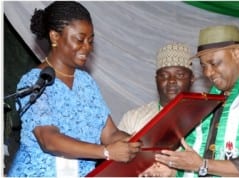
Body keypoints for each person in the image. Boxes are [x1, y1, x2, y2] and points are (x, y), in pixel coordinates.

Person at [7, 1, 141, 177]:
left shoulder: (87, 83)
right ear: (55, 36)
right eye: (80, 39)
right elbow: (49, 140)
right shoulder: (35, 81)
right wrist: (106, 152)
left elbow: (110, 134)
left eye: (91, 41)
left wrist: (136, 142)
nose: (87, 47)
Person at [141, 25, 239, 177]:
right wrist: (173, 170)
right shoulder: (210, 103)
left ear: (237, 54)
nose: (207, 73)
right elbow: (205, 156)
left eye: (213, 63)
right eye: (204, 66)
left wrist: (202, 165)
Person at [118, 42, 195, 134]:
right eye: (164, 75)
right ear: (156, 80)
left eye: (180, 75)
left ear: (192, 79)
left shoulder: (204, 117)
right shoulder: (133, 117)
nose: (171, 80)